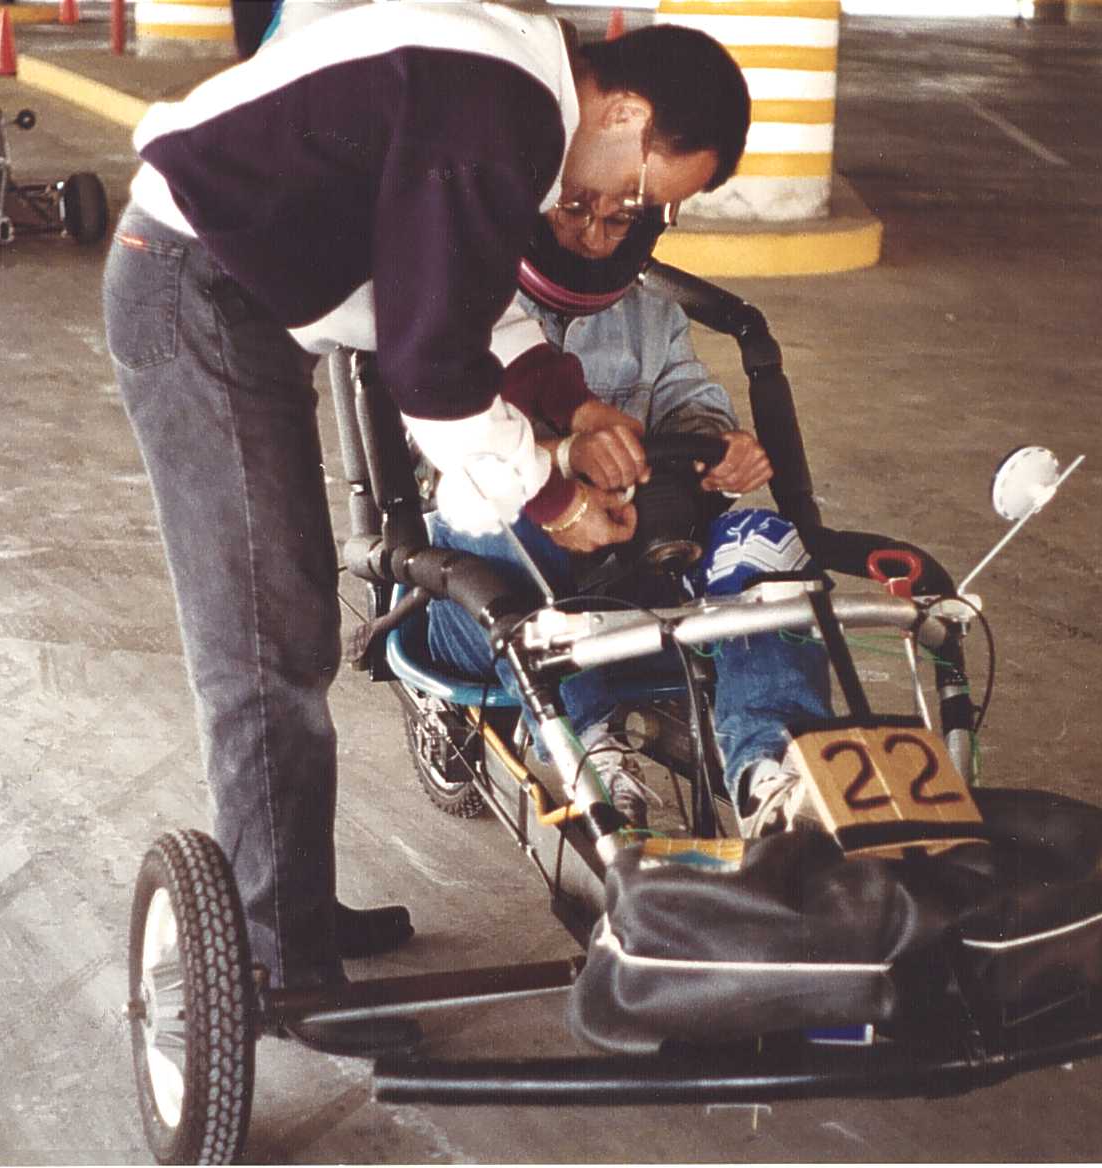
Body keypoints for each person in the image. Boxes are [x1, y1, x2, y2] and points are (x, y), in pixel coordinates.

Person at [103, 2, 749, 1053]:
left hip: (233, 292)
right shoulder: (502, 109)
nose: (617, 210)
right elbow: (433, 378)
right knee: (264, 643)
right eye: (643, 189)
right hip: (196, 289)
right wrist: (552, 497)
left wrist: (574, 405)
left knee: (292, 625)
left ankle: (289, 905)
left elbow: (461, 298)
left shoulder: (509, 97)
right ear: (626, 114)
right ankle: (284, 967)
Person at [421, 203, 834, 840]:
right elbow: (443, 461)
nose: (593, 238)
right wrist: (562, 466)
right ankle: (593, 754)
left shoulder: (652, 314)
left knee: (766, 543)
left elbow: (689, 401)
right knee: (506, 514)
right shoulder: (458, 301)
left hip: (626, 571)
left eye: (617, 223)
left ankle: (770, 770)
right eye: (574, 213)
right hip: (480, 593)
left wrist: (720, 448)